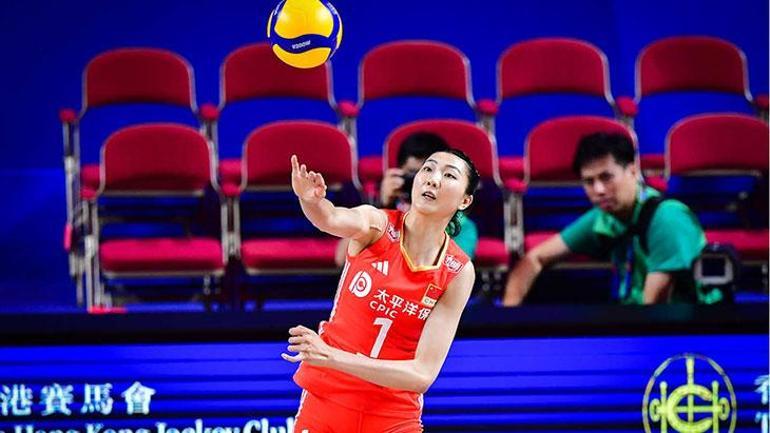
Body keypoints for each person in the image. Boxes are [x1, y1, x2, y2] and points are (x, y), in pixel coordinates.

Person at [284, 149, 479, 433]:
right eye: (428, 169)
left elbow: (422, 375)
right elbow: (331, 218)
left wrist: (332, 357)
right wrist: (311, 200)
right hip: (327, 402)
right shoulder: (376, 224)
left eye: (449, 175)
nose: (433, 179)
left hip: (394, 416)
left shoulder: (458, 271)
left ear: (465, 200)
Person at [502, 132, 707, 306]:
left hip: (687, 330)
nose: (598, 190)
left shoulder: (667, 218)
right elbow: (534, 259)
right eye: (589, 181)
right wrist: (508, 321)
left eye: (606, 177)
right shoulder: (605, 217)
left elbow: (654, 308)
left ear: (633, 171)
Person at [335, 132, 478, 266]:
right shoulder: (380, 216)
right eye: (412, 174)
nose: (426, 182)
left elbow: (442, 274)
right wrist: (383, 206)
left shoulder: (462, 226)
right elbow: (342, 258)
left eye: (436, 174)